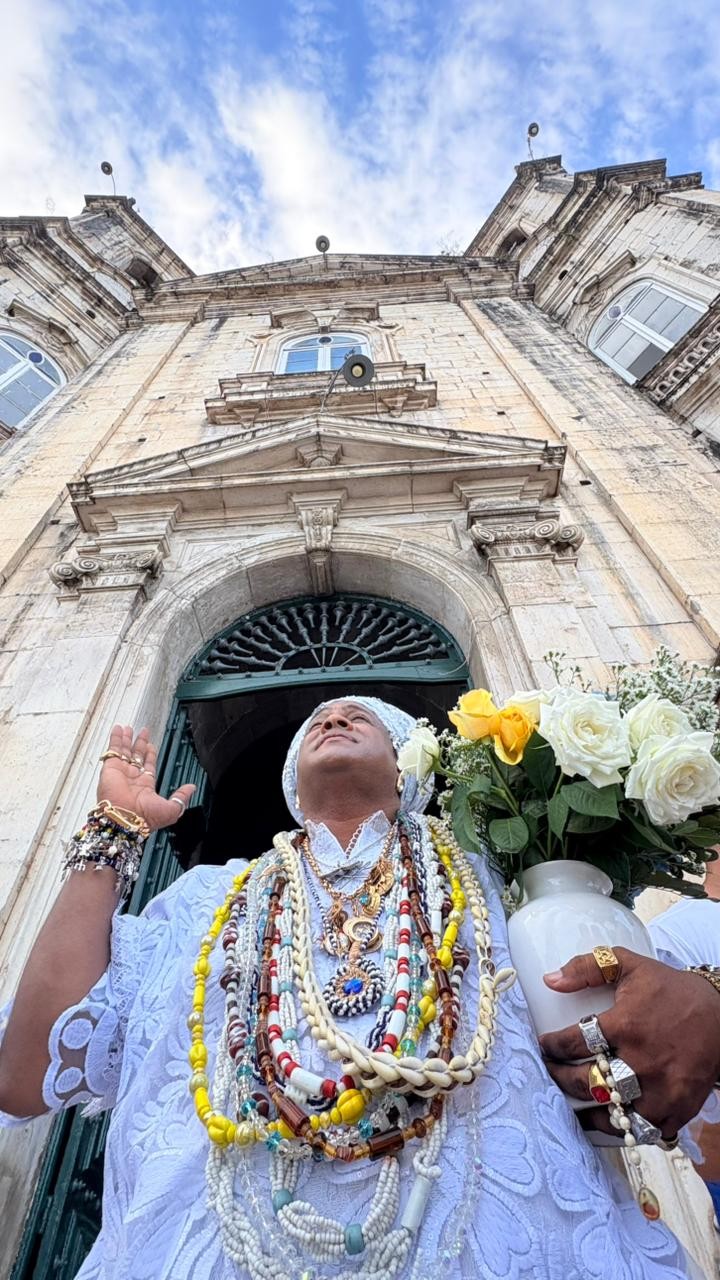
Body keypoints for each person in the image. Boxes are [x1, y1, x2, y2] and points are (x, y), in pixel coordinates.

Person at [1, 696, 719, 1280]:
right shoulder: (205, 899)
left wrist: (704, 1002)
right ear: (290, 787)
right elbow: (28, 1071)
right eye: (317, 719)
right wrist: (114, 827)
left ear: (410, 767)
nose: (333, 717)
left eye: (361, 715)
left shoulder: (497, 878)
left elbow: (647, 981)